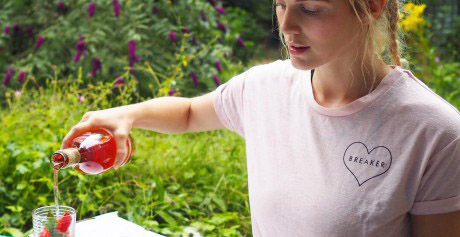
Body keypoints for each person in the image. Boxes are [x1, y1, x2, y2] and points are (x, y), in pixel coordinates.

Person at [62, 0, 460, 236]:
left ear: (372, 5)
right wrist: (122, 114)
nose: (286, 26)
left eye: (310, 8)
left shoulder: (437, 133)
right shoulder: (264, 87)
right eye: (282, 4)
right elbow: (186, 114)